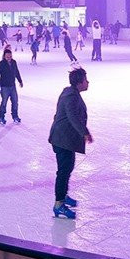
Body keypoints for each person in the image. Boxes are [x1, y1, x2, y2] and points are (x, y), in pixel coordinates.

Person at [49, 68, 93, 219]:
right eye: (86, 80)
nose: (88, 82)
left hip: (65, 138)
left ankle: (63, 195)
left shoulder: (71, 92)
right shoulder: (71, 96)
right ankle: (59, 204)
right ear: (79, 82)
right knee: (63, 171)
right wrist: (85, 132)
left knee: (68, 168)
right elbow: (73, 117)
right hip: (62, 139)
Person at [0, 48, 23, 125]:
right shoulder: (1, 64)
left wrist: (20, 81)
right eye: (7, 57)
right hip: (4, 86)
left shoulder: (14, 62)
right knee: (4, 102)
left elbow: (16, 72)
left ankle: (15, 116)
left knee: (15, 102)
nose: (9, 58)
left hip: (13, 86)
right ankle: (1, 117)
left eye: (10, 57)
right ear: (4, 56)